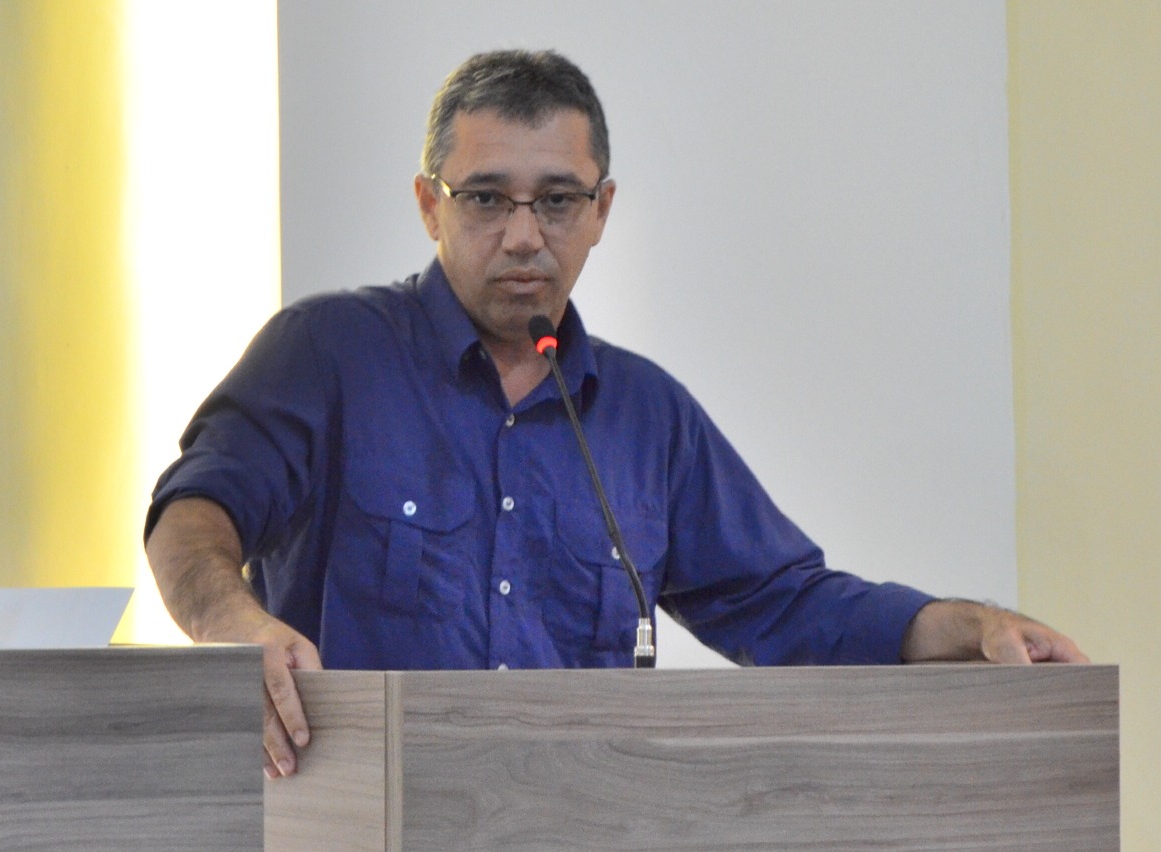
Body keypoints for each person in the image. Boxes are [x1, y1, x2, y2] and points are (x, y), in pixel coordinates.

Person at [145, 49, 1087, 780]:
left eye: (557, 201)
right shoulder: (326, 354)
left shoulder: (647, 418)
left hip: (581, 817)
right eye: (486, 199)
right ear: (430, 206)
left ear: (601, 212)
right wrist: (235, 627)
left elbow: (785, 603)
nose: (524, 235)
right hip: (353, 815)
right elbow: (192, 516)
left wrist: (960, 626)